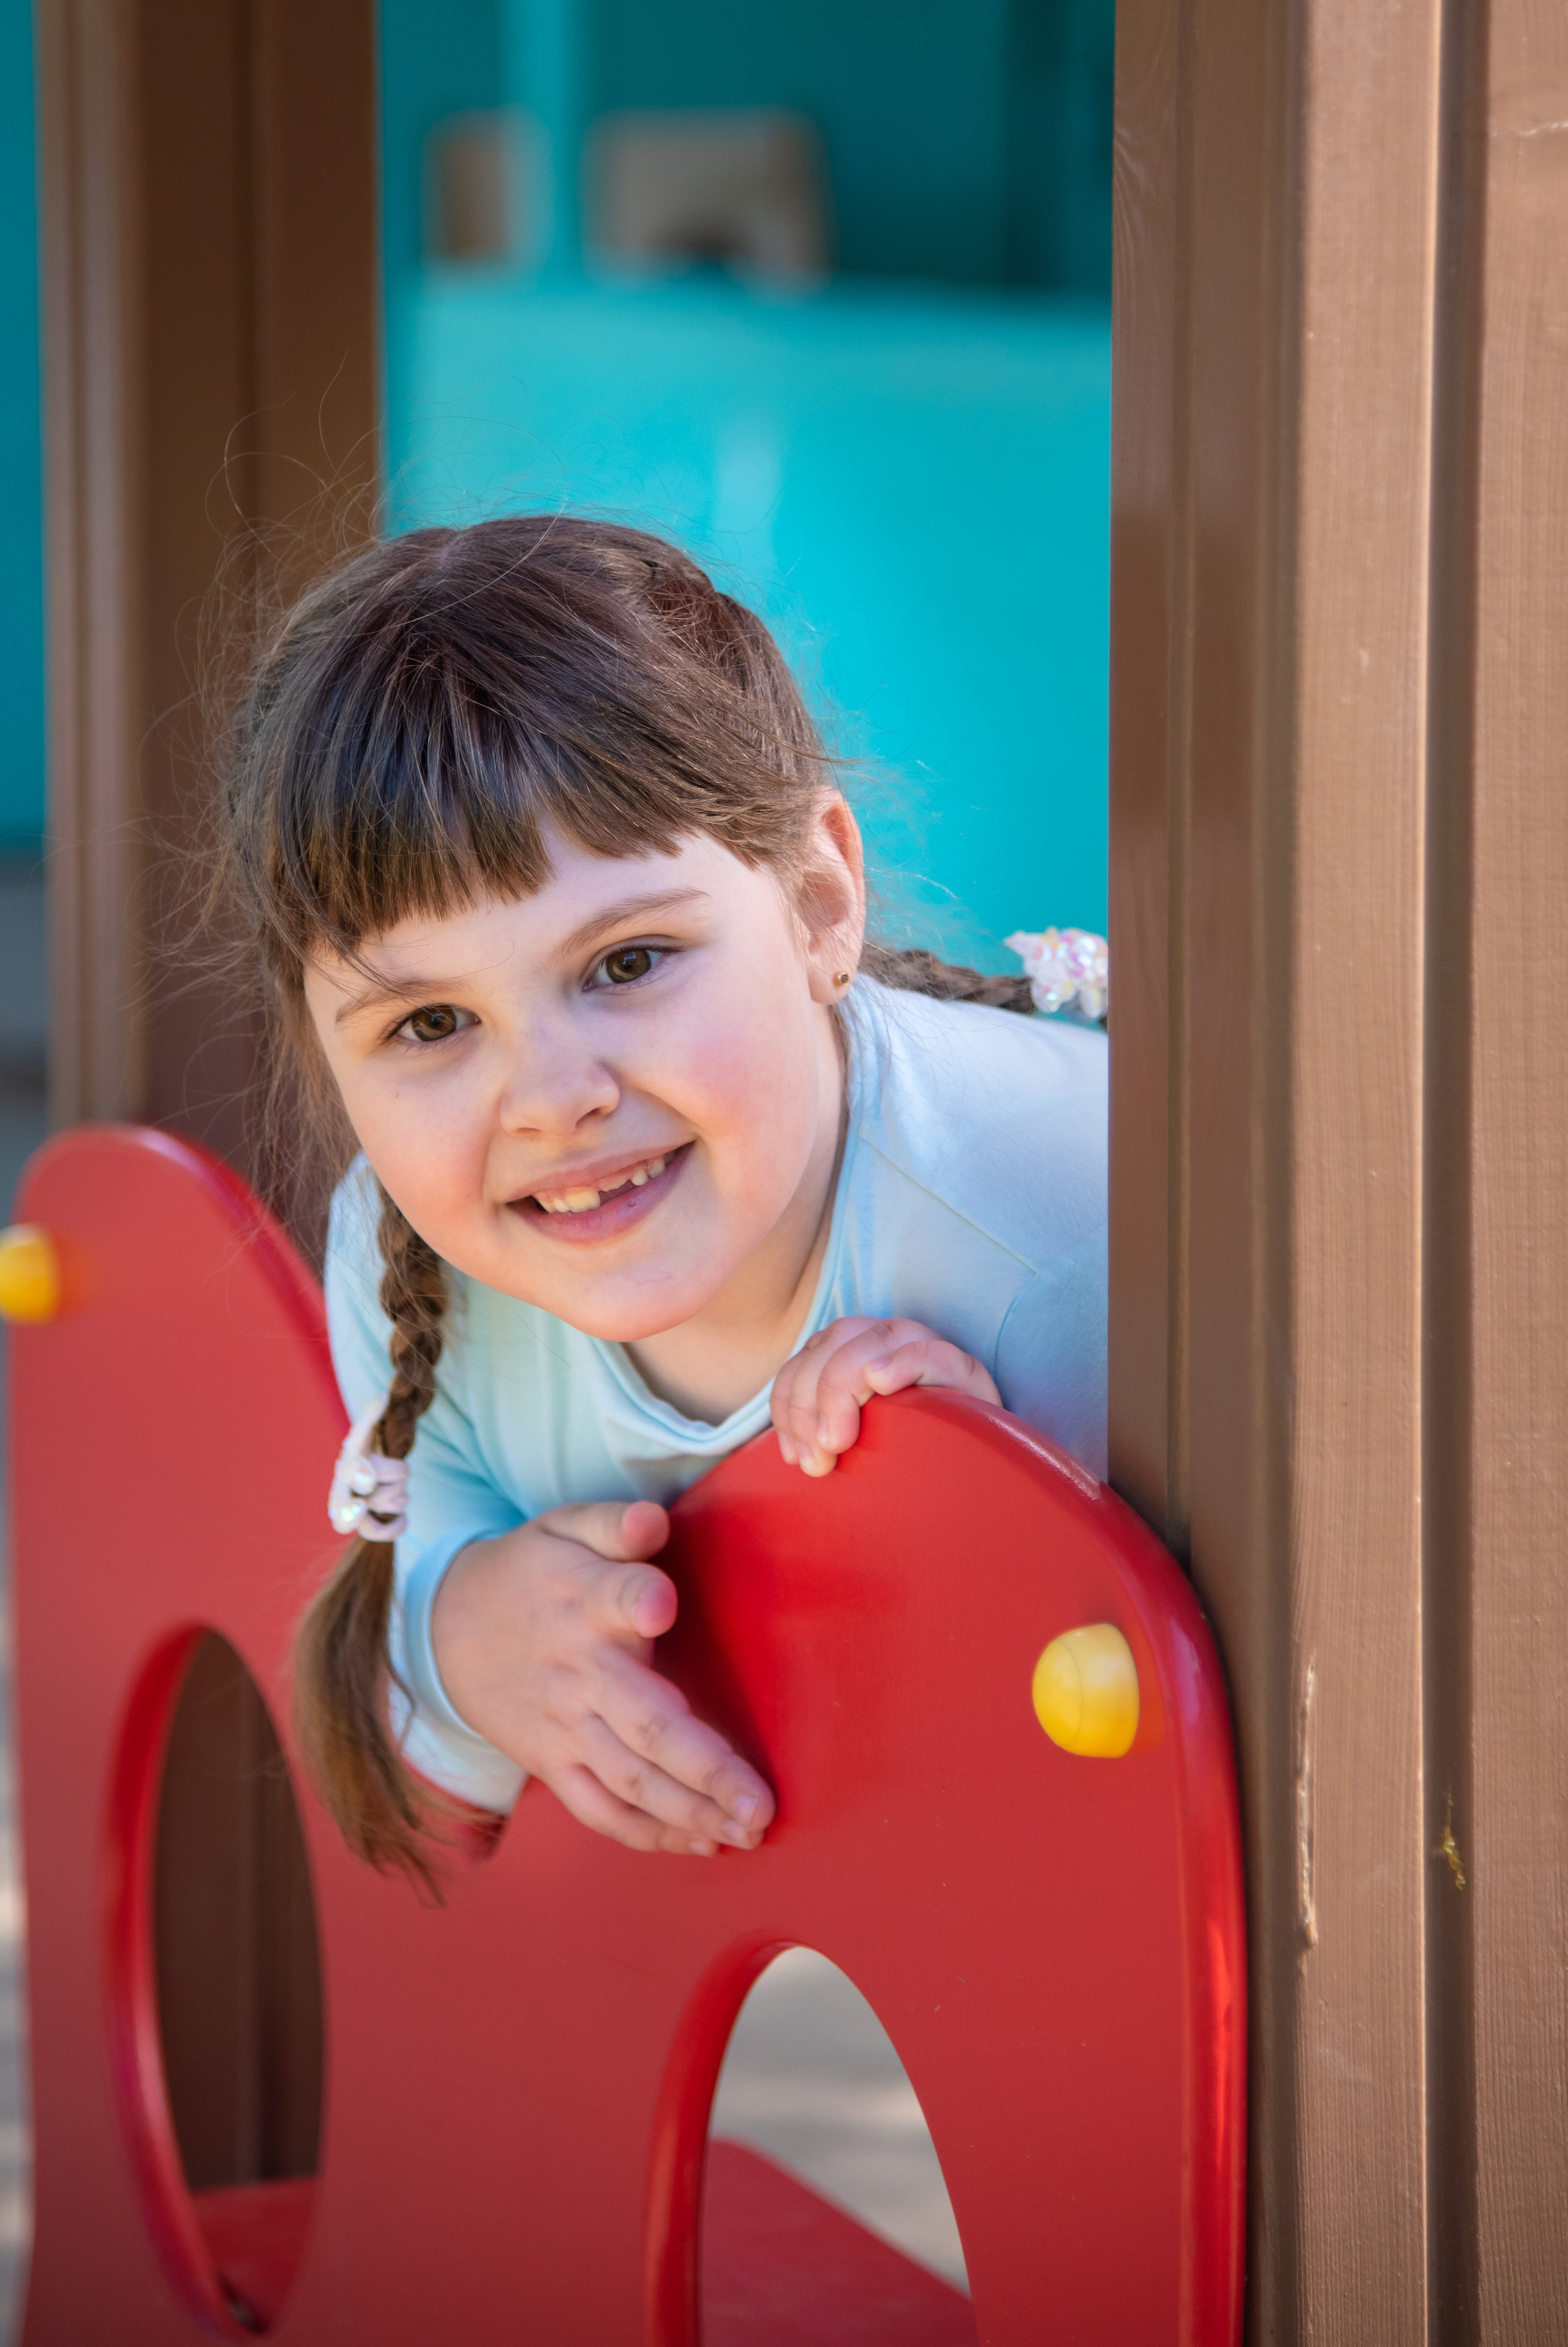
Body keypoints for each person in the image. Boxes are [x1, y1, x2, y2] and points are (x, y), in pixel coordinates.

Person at [217, 514, 1107, 1888]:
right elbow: (410, 1601)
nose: (547, 1096)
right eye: (430, 1023)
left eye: (627, 962)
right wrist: (458, 1633)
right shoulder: (407, 1267)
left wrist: (1015, 1508)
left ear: (818, 904)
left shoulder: (1051, 1253)